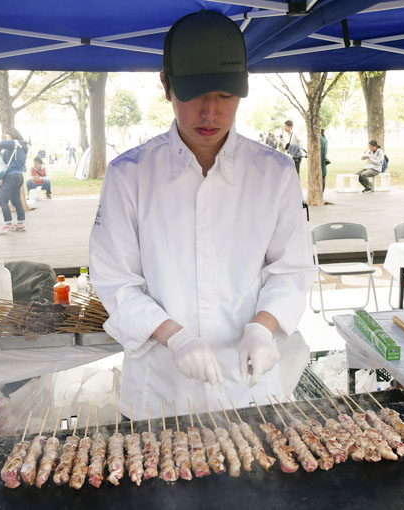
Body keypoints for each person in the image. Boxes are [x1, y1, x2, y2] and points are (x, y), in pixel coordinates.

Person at [88, 10, 315, 418]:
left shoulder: (275, 173)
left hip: (248, 390)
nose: (210, 112)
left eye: (226, 96)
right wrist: (175, 337)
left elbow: (291, 269)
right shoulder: (130, 175)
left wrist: (263, 328)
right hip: (161, 391)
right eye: (194, 95)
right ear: (167, 86)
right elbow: (116, 280)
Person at [0, 127, 28, 234]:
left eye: (7, 136)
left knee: (2, 201)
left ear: (12, 136)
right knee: (16, 200)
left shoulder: (12, 143)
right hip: (19, 176)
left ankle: (7, 224)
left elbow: (0, 144)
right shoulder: (23, 145)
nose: (6, 139)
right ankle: (21, 223)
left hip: (10, 176)